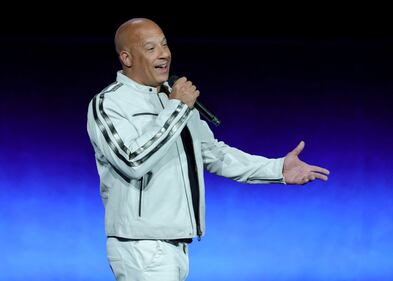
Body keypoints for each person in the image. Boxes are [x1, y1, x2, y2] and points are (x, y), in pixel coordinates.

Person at [86, 18, 330, 281]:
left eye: (165, 44)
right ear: (127, 57)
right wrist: (178, 108)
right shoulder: (110, 103)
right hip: (141, 245)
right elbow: (131, 161)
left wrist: (277, 168)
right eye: (151, 48)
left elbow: (214, 153)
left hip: (177, 245)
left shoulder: (172, 99)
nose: (164, 53)